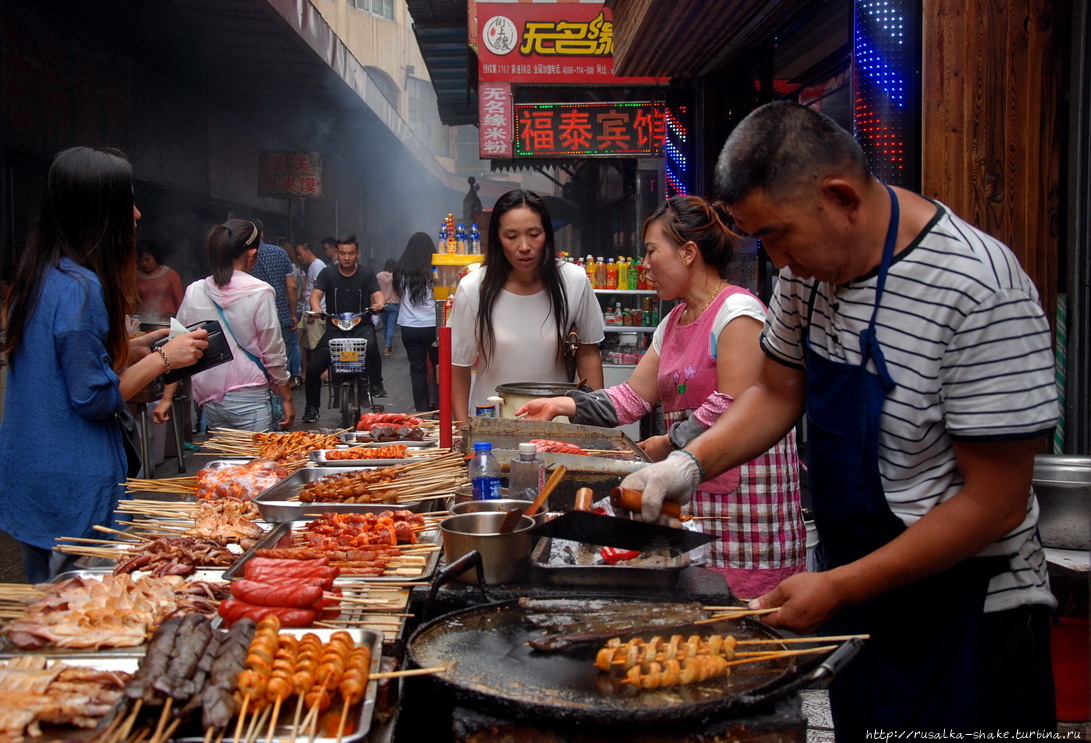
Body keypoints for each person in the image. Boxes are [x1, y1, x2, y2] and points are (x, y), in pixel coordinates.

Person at [620, 102, 1058, 736]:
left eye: (776, 234)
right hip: (864, 597)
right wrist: (686, 465)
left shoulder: (979, 288)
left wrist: (840, 585)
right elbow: (775, 393)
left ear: (840, 196)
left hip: (970, 614)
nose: (774, 259)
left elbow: (995, 502)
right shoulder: (808, 276)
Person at [519, 195, 805, 598]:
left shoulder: (737, 312)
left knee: (745, 612)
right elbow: (632, 397)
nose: (645, 265)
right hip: (691, 491)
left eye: (652, 252)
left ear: (688, 252)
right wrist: (562, 405)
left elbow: (733, 402)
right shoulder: (672, 322)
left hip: (747, 506)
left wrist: (668, 443)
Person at [0, 146, 208, 583]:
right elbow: (93, 397)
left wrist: (128, 349)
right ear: (98, 212)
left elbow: (61, 362)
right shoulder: (82, 287)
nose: (135, 214)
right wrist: (164, 359)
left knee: (49, 610)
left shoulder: (37, 277)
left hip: (31, 480)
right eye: (125, 202)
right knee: (82, 615)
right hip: (73, 486)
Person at [447, 189, 605, 424]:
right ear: (497, 238)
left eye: (534, 234)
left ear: (547, 234)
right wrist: (462, 429)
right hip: (492, 418)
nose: (524, 246)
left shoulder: (574, 280)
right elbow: (458, 366)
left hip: (555, 419)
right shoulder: (473, 288)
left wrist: (596, 421)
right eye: (511, 236)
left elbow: (588, 353)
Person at [156, 219, 294, 433]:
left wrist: (166, 398)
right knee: (258, 465)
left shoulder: (195, 290)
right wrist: (286, 396)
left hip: (209, 400)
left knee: (227, 465)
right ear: (251, 253)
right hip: (249, 397)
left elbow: (177, 346)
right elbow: (272, 350)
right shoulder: (260, 291)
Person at [301, 233, 385, 423]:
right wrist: (315, 308)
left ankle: (377, 383)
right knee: (314, 367)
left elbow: (378, 295)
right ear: (336, 253)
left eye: (351, 253)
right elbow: (315, 295)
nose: (346, 257)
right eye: (342, 253)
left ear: (358, 254)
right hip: (335, 328)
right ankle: (311, 408)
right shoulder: (327, 274)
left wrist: (379, 303)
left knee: (372, 346)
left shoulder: (366, 274)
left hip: (361, 326)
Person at [247, 218, 298, 412]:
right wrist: (292, 314)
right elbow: (291, 286)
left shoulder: (242, 256)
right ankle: (276, 407)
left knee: (255, 363)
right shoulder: (280, 253)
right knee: (277, 362)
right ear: (262, 234)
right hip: (281, 318)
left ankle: (260, 406)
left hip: (251, 320)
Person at [393, 233, 439, 412]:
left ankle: (422, 410)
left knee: (417, 370)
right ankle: (440, 408)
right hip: (432, 326)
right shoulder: (435, 268)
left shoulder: (400, 270)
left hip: (410, 327)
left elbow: (398, 294)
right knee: (438, 368)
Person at [295, 241, 327, 373]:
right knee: (299, 342)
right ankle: (305, 371)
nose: (299, 257)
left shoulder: (318, 266)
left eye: (300, 253)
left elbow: (320, 291)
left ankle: (321, 372)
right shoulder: (313, 266)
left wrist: (314, 312)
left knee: (316, 345)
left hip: (315, 313)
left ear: (308, 251)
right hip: (307, 311)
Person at [135, 238, 183, 317]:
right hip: (143, 318)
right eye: (140, 261)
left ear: (156, 257)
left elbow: (179, 301)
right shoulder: (136, 277)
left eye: (147, 260)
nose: (144, 263)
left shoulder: (170, 274)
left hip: (167, 319)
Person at [279, 238, 305, 386]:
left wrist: (291, 312)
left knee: (288, 346)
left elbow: (291, 289)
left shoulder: (288, 270)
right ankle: (296, 375)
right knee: (295, 344)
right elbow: (303, 288)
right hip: (299, 307)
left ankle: (291, 375)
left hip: (290, 310)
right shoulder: (298, 269)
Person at [375, 258, 400, 355]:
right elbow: (399, 291)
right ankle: (387, 346)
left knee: (385, 326)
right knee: (391, 327)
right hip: (393, 305)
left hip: (382, 305)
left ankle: (388, 345)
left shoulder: (379, 276)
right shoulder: (396, 276)